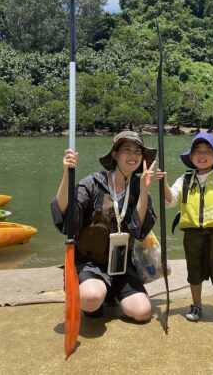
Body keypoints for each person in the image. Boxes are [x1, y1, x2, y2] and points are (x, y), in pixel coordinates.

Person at [51, 131, 157, 322]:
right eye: (127, 150)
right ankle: (93, 297)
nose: (133, 156)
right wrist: (66, 175)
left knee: (142, 313)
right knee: (91, 298)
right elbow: (66, 217)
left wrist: (144, 191)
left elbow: (139, 230)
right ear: (115, 154)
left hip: (121, 264)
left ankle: (111, 292)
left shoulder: (139, 185)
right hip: (89, 262)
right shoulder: (93, 183)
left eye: (137, 151)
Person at [157, 132, 213, 324]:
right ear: (191, 157)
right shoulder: (185, 179)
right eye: (197, 151)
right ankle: (196, 305)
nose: (202, 155)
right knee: (194, 270)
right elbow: (170, 200)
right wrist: (163, 183)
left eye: (208, 151)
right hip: (192, 233)